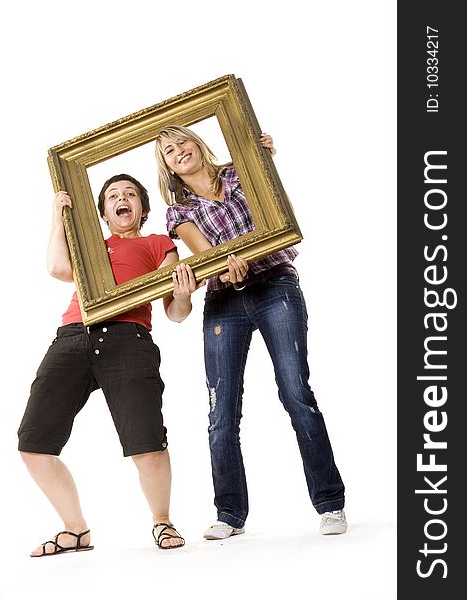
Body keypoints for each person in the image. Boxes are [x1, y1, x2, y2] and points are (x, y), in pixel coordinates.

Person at [154, 126, 347, 539]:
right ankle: (230, 514)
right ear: (166, 165)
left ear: (197, 143)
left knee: (296, 391)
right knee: (221, 411)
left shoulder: (242, 172)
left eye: (182, 142)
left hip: (275, 284)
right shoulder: (179, 211)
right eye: (168, 151)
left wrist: (264, 164)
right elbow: (208, 254)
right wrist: (226, 266)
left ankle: (330, 504)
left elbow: (279, 217)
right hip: (224, 300)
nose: (178, 151)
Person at [18, 173, 198, 555]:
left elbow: (176, 312)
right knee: (33, 444)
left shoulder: (158, 243)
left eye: (131, 194)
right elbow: (56, 268)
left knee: (146, 443)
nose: (123, 199)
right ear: (103, 210)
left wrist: (183, 296)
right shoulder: (91, 247)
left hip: (128, 340)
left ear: (142, 207)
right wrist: (56, 216)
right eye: (114, 195)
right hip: (71, 338)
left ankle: (162, 521)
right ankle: (76, 530)